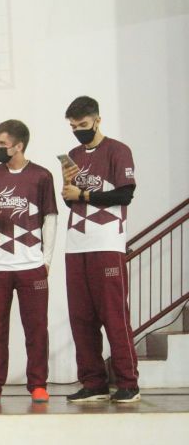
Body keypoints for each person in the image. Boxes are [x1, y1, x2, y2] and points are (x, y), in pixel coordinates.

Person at [61, 96, 140, 403]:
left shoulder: (118, 150)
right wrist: (70, 191)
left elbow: (125, 194)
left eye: (82, 125)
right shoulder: (73, 154)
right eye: (72, 126)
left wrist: (81, 192)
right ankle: (93, 381)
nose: (78, 130)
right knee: (81, 316)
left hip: (107, 240)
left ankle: (128, 381)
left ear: (97, 120)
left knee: (114, 313)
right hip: (76, 242)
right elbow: (71, 200)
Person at [0, 119, 58, 404]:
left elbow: (50, 218)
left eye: (2, 144)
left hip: (31, 263)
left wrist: (46, 260)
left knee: (36, 328)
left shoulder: (42, 176)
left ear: (18, 146)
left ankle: (38, 384)